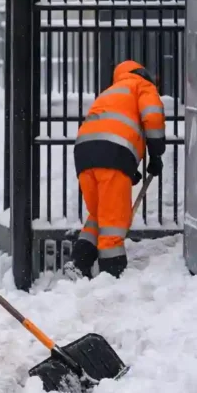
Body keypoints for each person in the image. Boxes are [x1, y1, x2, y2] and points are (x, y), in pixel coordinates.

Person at [68, 60, 167, 279]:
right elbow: (152, 115)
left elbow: (112, 127)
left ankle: (79, 262)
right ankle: (111, 276)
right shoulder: (141, 85)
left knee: (100, 214)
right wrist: (156, 151)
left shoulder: (110, 92)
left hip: (84, 153)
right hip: (113, 153)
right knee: (113, 223)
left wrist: (128, 167)